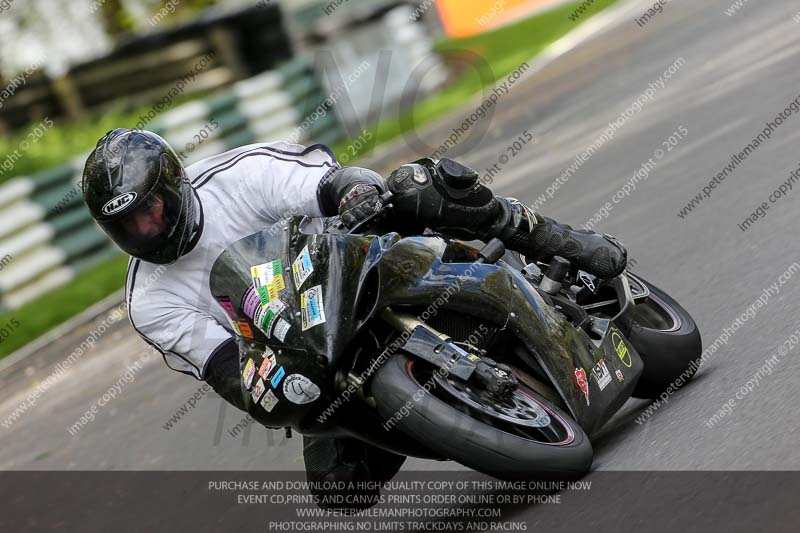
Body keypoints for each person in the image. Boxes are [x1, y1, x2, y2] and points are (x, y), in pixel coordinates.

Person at [81, 128, 626, 509]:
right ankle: (459, 418)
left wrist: (357, 193)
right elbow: (226, 368)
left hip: (362, 261)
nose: (146, 230)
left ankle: (557, 241)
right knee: (339, 487)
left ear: (174, 187)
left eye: (150, 211)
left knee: (416, 185)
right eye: (128, 227)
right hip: (309, 349)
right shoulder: (149, 301)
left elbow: (330, 183)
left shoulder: (237, 176)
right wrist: (263, 388)